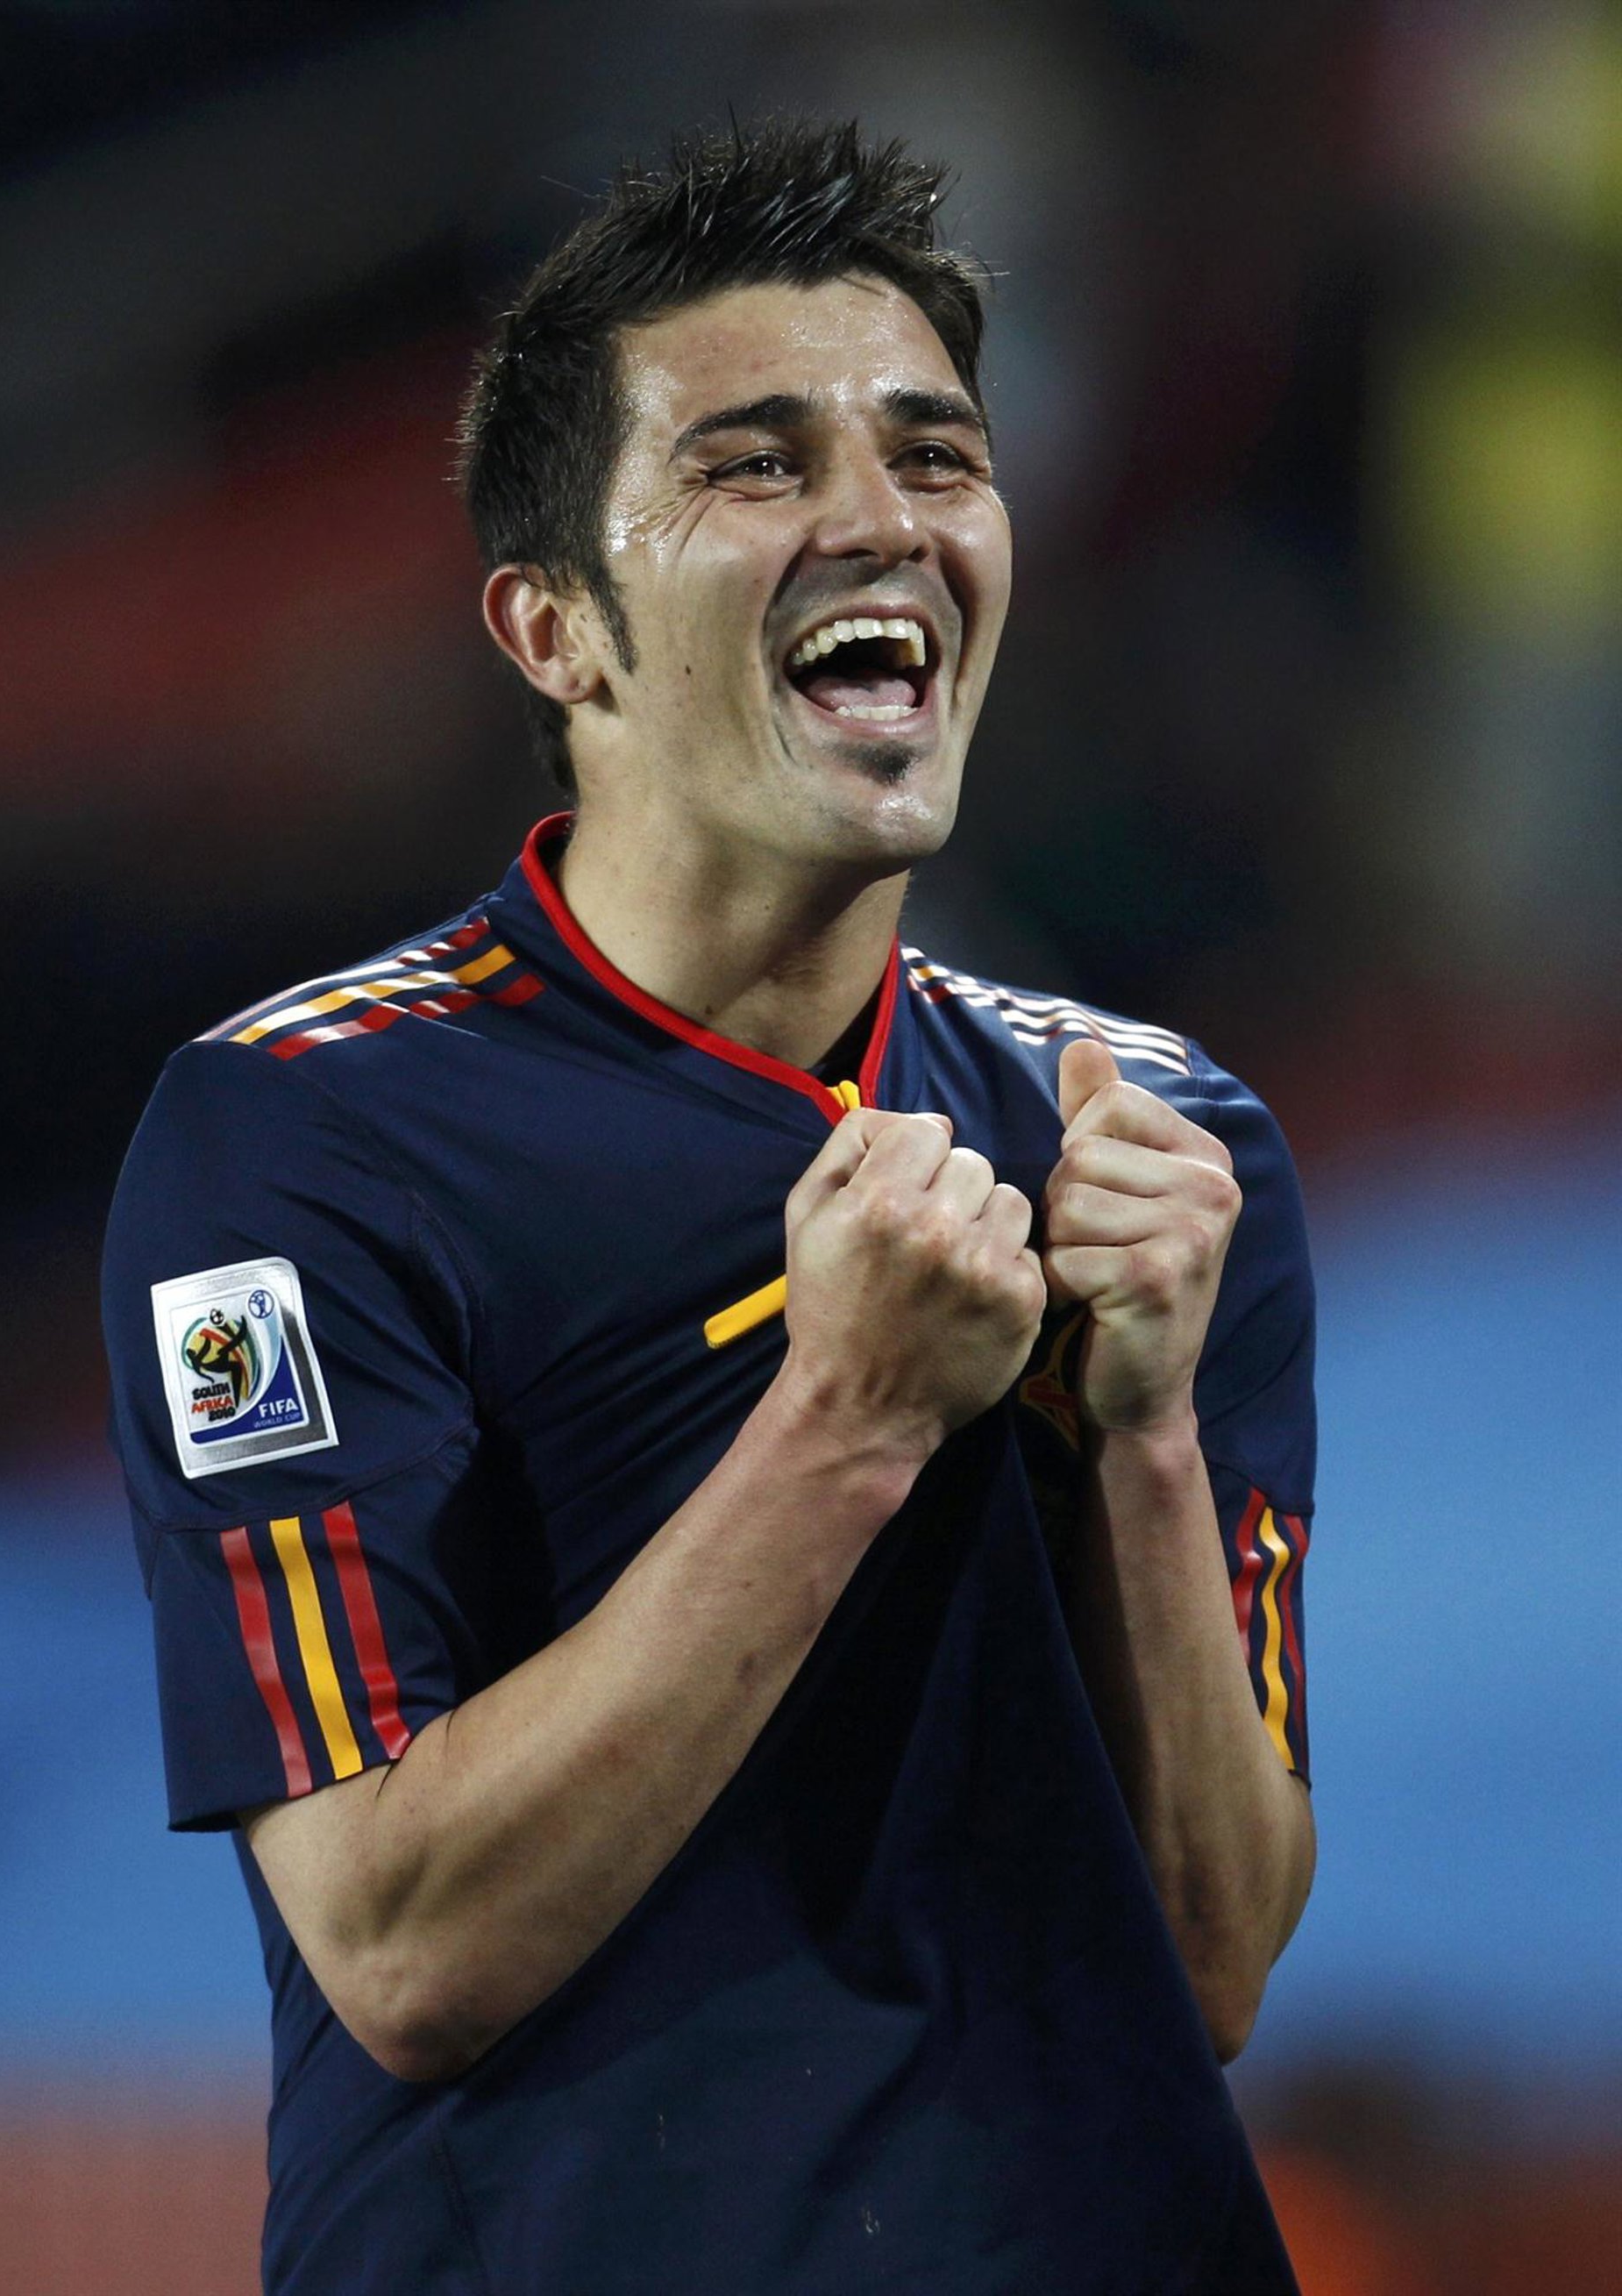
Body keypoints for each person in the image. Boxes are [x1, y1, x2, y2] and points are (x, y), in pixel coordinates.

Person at [103, 119, 1317, 2294]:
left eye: (936, 456)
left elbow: (1210, 1966)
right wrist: (850, 1416)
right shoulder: (292, 1145)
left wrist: (1138, 1435)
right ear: (556, 627)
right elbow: (402, 1942)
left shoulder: (1157, 1143)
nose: (881, 517)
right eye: (757, 464)